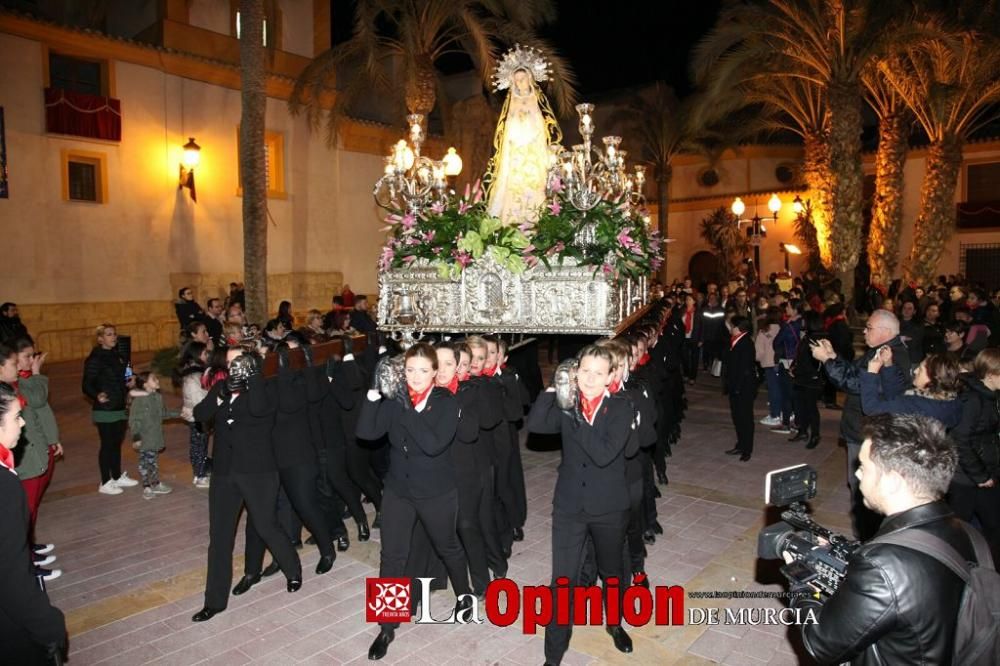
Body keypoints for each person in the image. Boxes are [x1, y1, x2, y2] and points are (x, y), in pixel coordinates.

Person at [786, 413, 977, 666]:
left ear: (893, 482)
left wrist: (802, 583)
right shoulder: (965, 532)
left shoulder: (883, 565)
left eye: (864, 467)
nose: (858, 475)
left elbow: (820, 644)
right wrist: (847, 552)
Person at [357, 343, 472, 661]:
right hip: (398, 491)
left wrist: (407, 405)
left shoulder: (445, 402)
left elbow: (434, 445)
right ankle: (386, 626)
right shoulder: (396, 400)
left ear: (435, 372)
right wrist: (374, 392)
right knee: (391, 556)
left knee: (447, 546)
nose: (416, 377)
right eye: (410, 370)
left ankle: (464, 595)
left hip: (436, 491)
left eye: (423, 370)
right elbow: (367, 433)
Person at [526, 344, 637, 664]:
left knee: (611, 571)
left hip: (609, 507)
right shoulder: (566, 400)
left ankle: (614, 623)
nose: (588, 378)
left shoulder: (620, 407)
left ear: (610, 377)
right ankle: (553, 654)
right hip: (570, 506)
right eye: (583, 371)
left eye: (597, 373)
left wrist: (573, 411)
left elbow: (603, 454)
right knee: (562, 580)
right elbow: (535, 425)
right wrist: (553, 386)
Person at [191, 349, 303, 623]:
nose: (233, 366)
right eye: (229, 362)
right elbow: (199, 414)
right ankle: (214, 601)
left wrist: (252, 380)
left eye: (239, 361)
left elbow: (259, 410)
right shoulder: (221, 387)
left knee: (266, 526)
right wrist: (220, 394)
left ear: (252, 363)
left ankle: (293, 569)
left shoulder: (264, 388)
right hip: (225, 473)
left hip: (258, 472)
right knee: (219, 538)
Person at [812, 309, 912, 539]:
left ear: (885, 332)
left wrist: (827, 360)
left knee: (866, 490)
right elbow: (855, 372)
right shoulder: (878, 351)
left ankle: (868, 540)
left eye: (869, 328)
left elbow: (856, 383)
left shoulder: (892, 356)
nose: (864, 331)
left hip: (868, 433)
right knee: (857, 484)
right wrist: (834, 356)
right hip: (860, 429)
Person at [0, 383, 68, 665]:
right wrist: (49, 624)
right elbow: (10, 572)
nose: (23, 422)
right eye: (16, 417)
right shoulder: (5, 487)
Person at [485, 49, 559, 226]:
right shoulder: (512, 102)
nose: (520, 83)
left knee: (535, 187)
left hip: (533, 150)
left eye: (523, 79)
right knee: (514, 187)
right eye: (517, 80)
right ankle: (512, 223)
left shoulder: (536, 100)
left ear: (530, 79)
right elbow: (508, 126)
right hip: (517, 152)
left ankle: (536, 222)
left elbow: (542, 126)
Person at [8, 338, 63, 569]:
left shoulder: (25, 380)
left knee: (33, 505)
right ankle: (27, 559)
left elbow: (43, 413)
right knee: (26, 509)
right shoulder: (16, 383)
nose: (32, 360)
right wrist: (38, 374)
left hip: (41, 448)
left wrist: (52, 440)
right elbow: (39, 399)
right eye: (27, 356)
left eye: (33, 356)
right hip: (28, 456)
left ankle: (30, 545)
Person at [948, 347, 1000, 551]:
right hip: (967, 479)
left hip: (987, 471)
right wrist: (980, 476)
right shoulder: (973, 399)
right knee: (958, 530)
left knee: (993, 526)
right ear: (990, 374)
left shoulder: (991, 394)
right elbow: (959, 440)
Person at [82, 324, 139, 495]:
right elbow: (86, 384)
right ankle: (105, 481)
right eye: (108, 334)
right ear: (100, 339)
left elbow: (125, 375)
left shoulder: (119, 356)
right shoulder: (95, 358)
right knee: (107, 445)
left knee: (116, 443)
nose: (113, 337)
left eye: (114, 334)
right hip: (105, 409)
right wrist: (97, 394)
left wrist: (130, 381)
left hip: (119, 406)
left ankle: (116, 476)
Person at [860, 351, 962, 428]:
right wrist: (888, 365)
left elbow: (872, 408)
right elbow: (896, 397)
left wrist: (871, 373)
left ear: (933, 377)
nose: (916, 371)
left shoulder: (916, 404)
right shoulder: (951, 401)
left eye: (921, 369)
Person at [127, 372, 180, 500]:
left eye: (157, 378)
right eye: (154, 379)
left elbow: (163, 413)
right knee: (145, 462)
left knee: (153, 461)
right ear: (145, 384)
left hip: (155, 435)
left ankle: (155, 484)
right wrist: (136, 437)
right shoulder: (139, 401)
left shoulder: (157, 397)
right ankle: (147, 487)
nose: (157, 380)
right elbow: (134, 421)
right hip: (144, 437)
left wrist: (179, 413)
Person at [789, 312, 825, 449]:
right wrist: (794, 366)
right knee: (800, 406)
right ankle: (802, 430)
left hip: (811, 379)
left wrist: (796, 370)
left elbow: (811, 362)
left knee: (811, 408)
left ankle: (815, 434)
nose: (802, 323)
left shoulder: (817, 339)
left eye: (804, 321)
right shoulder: (808, 336)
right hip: (802, 378)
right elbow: (800, 356)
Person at [177, 342, 211, 488]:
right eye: (205, 353)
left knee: (201, 445)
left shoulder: (195, 373)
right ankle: (199, 475)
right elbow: (198, 399)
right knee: (198, 447)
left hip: (198, 415)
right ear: (196, 355)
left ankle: (202, 471)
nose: (207, 356)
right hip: (198, 416)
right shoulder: (193, 377)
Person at [725, 316, 757, 462]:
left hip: (743, 389)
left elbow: (744, 369)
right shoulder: (735, 341)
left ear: (738, 328)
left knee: (745, 419)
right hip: (735, 388)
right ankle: (740, 444)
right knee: (737, 418)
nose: (730, 328)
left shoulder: (746, 343)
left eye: (732, 326)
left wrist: (737, 387)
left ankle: (747, 449)